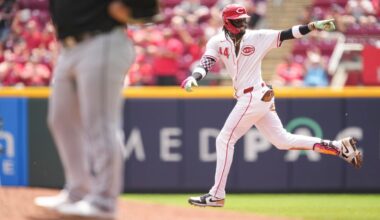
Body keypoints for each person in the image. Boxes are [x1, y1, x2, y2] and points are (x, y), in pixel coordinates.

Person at [181, 4, 363, 208]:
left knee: (224, 139)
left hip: (254, 95)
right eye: (237, 20)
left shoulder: (257, 36)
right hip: (255, 96)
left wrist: (311, 26)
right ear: (226, 22)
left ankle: (216, 195)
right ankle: (339, 147)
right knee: (282, 140)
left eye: (244, 20)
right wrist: (194, 77)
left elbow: (287, 33)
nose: (242, 23)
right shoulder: (217, 41)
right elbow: (206, 62)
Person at [34, 0, 158, 219]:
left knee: (100, 124)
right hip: (69, 48)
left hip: (102, 40)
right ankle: (78, 192)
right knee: (61, 120)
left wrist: (138, 10)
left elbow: (148, 8)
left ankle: (103, 202)